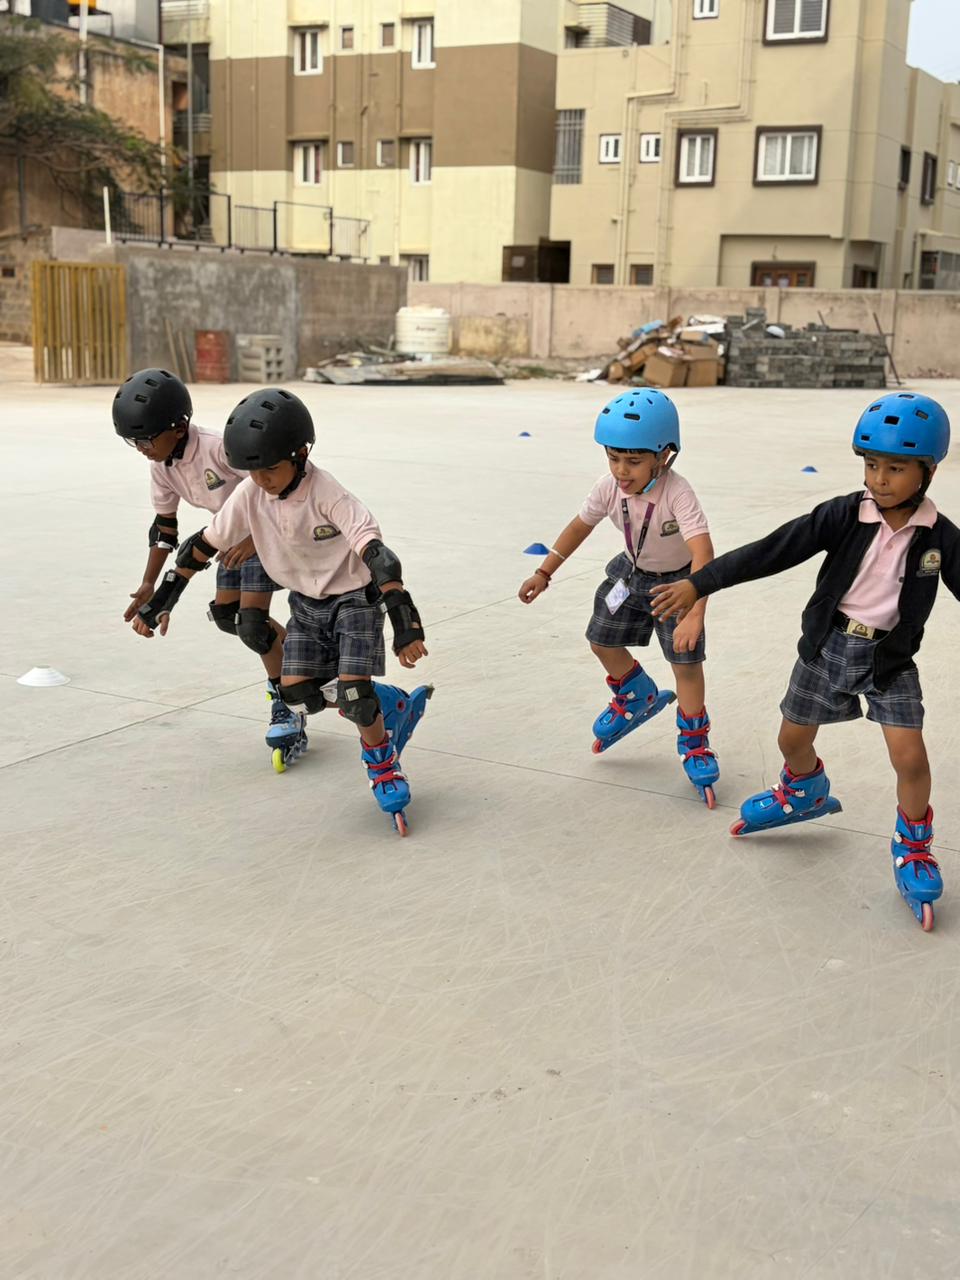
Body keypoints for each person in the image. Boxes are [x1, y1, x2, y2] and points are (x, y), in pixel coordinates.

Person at [651, 390, 958, 930]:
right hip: (828, 645)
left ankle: (913, 846)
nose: (879, 478)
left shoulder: (941, 538)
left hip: (889, 661)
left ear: (927, 471)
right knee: (792, 739)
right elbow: (773, 550)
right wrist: (699, 583)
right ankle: (804, 786)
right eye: (870, 464)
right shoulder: (844, 514)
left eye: (895, 467)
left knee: (911, 758)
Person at [133, 387, 430, 836]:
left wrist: (404, 622)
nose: (262, 479)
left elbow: (379, 557)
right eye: (252, 470)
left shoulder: (329, 493)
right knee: (299, 696)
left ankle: (384, 765)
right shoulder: (251, 493)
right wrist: (161, 599)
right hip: (305, 602)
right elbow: (203, 545)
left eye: (271, 468)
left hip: (353, 599)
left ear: (301, 453)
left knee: (353, 696)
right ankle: (393, 704)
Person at [518, 389, 719, 806]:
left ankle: (695, 741)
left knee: (685, 662)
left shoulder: (678, 493)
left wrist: (695, 612)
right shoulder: (608, 487)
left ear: (664, 456)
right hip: (631, 573)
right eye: (613, 458)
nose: (620, 471)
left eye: (633, 461)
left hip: (678, 585)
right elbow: (579, 527)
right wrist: (544, 571)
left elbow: (704, 553)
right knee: (600, 639)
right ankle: (635, 693)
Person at [114, 367, 298, 749]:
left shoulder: (218, 447)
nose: (143, 449)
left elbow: (272, 483)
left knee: (251, 624)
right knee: (228, 618)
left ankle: (286, 703)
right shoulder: (161, 468)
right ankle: (301, 655)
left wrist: (254, 536)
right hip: (227, 540)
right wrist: (150, 583)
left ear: (178, 428)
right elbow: (164, 528)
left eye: (146, 439)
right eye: (133, 442)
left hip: (269, 534)